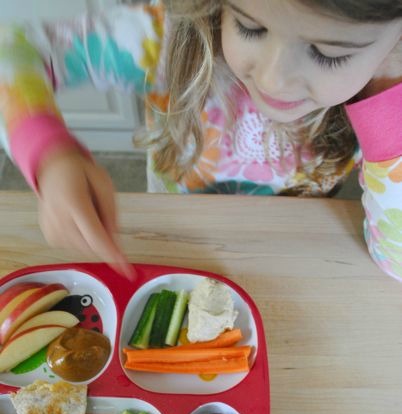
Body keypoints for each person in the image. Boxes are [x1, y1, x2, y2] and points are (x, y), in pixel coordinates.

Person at [0, 1, 401, 279]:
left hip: (290, 260)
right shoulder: (164, 38)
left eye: (329, 54)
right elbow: (12, 49)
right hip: (171, 241)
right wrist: (47, 151)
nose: (272, 80)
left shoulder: (388, 87)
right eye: (249, 26)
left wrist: (389, 91)